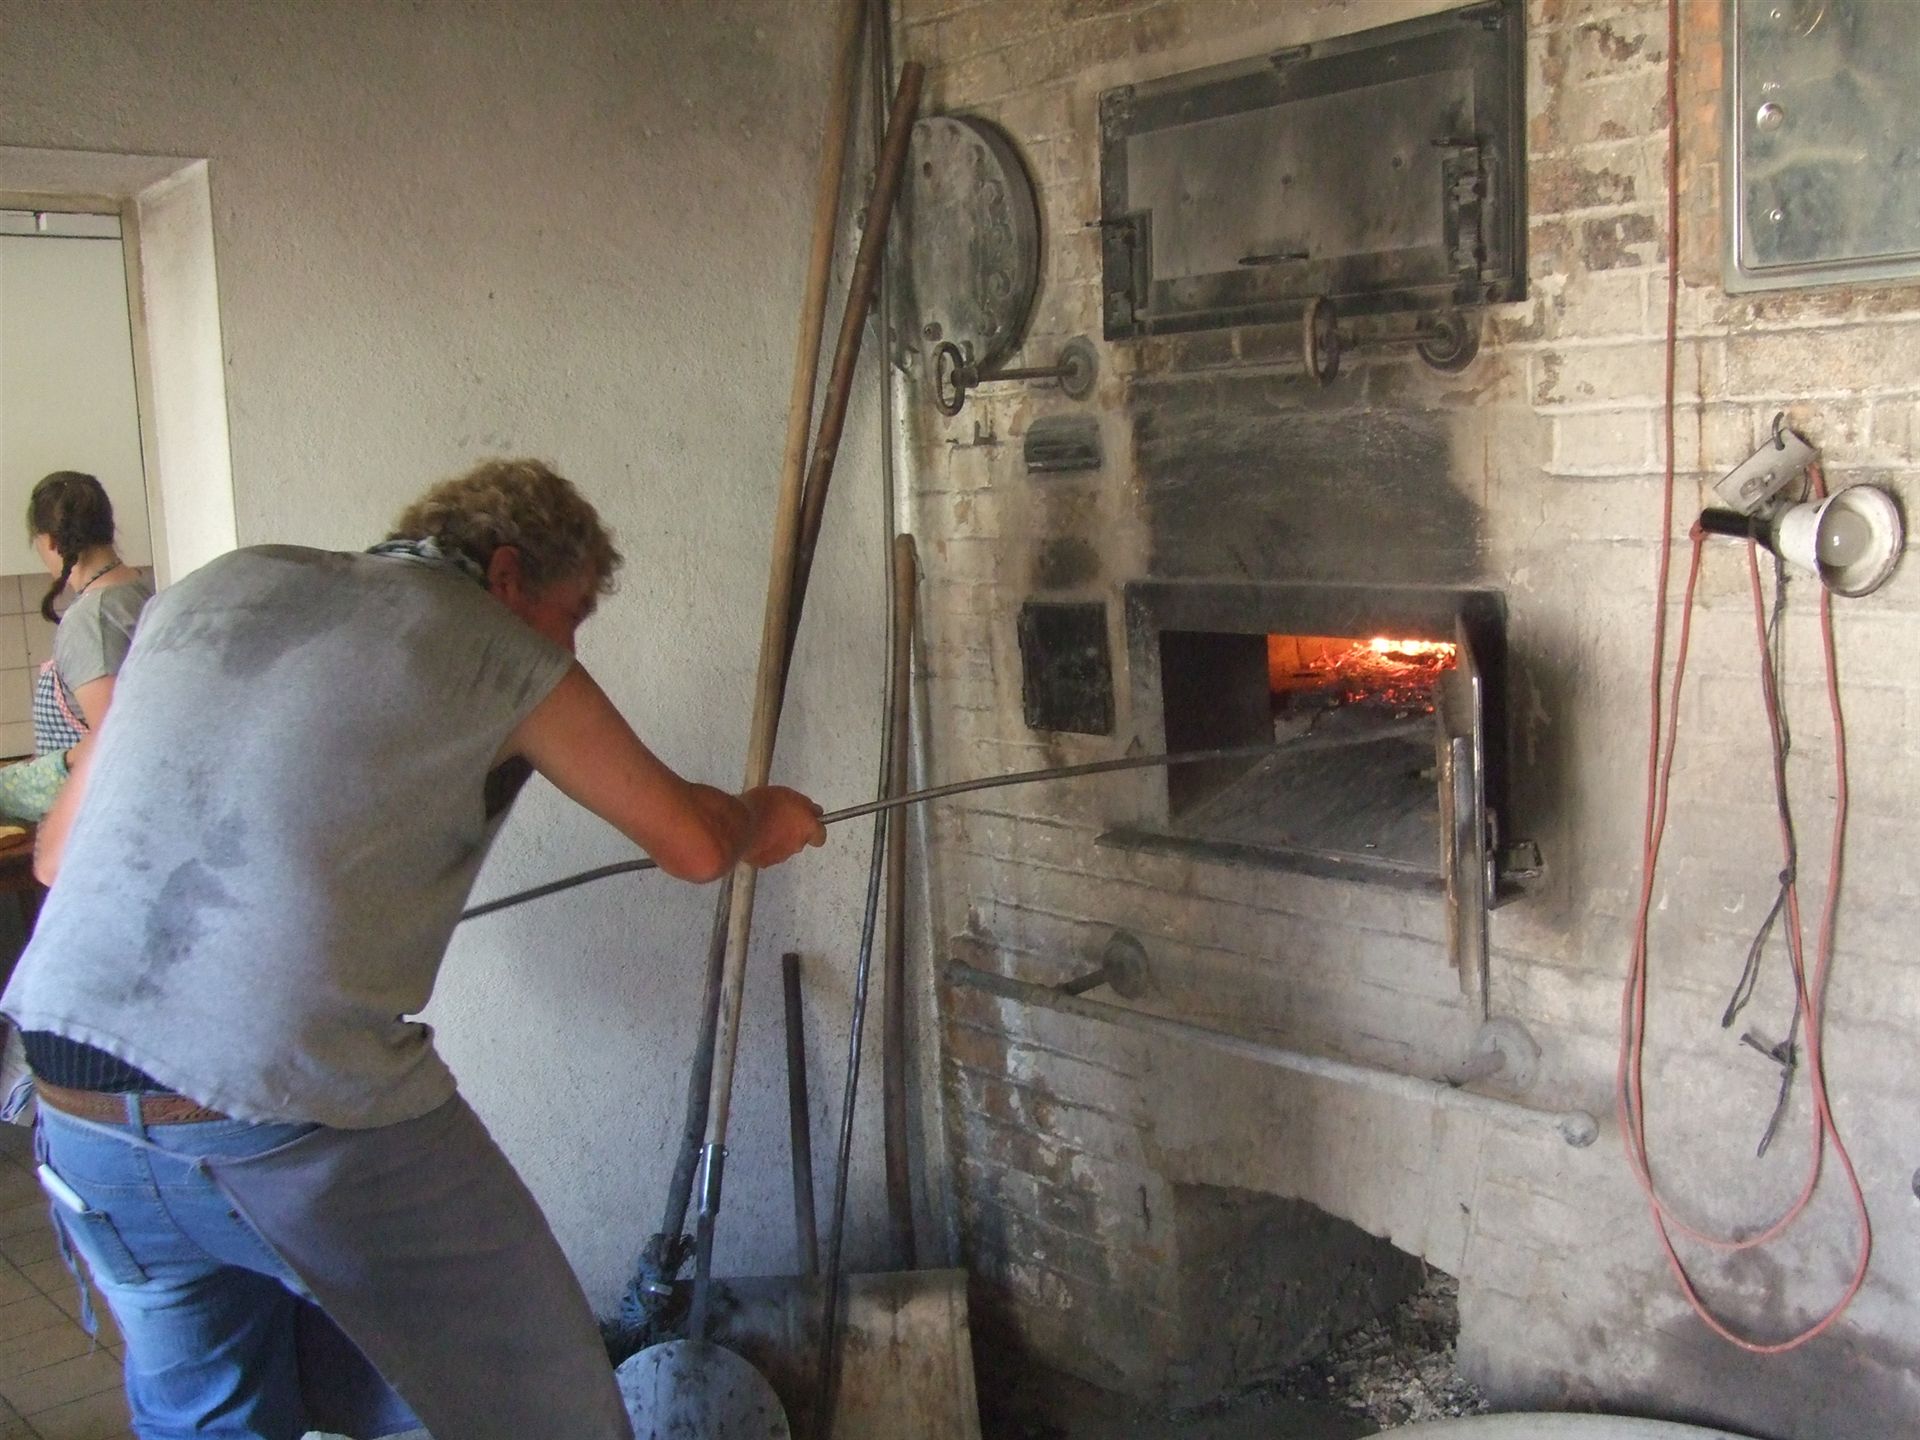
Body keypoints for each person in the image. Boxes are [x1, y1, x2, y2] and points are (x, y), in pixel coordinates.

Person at [1, 459, 826, 1440]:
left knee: (212, 1421)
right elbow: (693, 845)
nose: (568, 646)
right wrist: (765, 816)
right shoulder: (493, 644)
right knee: (543, 1401)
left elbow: (54, 855)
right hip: (280, 1102)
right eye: (570, 615)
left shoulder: (216, 586)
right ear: (507, 575)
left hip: (73, 1100)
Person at [0, 471, 153, 821]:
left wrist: (23, 785)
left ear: (52, 541)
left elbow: (116, 741)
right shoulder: (139, 591)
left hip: (105, 817)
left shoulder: (91, 621)